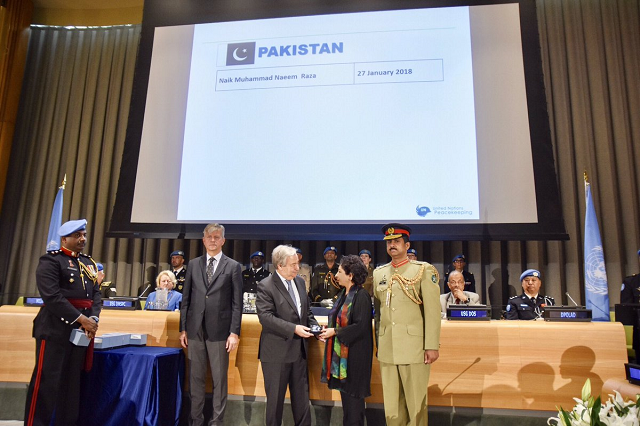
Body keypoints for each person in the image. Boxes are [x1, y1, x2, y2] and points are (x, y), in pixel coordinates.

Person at [24, 219, 101, 426]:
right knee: (46, 384)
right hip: (54, 330)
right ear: (64, 238)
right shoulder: (51, 261)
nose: (82, 239)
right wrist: (82, 319)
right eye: (77, 235)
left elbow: (96, 294)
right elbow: (52, 297)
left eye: (84, 234)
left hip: (80, 333)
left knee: (71, 386)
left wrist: (93, 318)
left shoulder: (87, 263)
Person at [373, 223, 441, 426]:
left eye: (397, 241)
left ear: (407, 244)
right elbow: (379, 313)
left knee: (415, 404)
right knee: (392, 406)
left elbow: (432, 312)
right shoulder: (379, 273)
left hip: (414, 348)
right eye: (389, 242)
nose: (392, 245)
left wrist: (432, 345)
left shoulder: (422, 270)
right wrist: (379, 343)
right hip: (388, 348)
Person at [179, 223, 243, 426]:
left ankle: (217, 422)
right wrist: (183, 328)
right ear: (203, 240)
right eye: (209, 237)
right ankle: (196, 421)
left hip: (220, 333)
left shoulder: (232, 266)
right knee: (195, 380)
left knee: (219, 381)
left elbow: (237, 304)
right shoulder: (193, 264)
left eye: (217, 237)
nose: (213, 240)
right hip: (195, 331)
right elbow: (186, 300)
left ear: (223, 240)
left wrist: (234, 332)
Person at [256, 245, 319, 426]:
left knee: (302, 402)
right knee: (275, 404)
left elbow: (306, 313)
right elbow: (266, 318)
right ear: (280, 266)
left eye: (297, 264)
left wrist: (314, 327)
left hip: (299, 353)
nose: (297, 268)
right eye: (293, 265)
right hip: (276, 354)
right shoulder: (266, 286)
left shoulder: (299, 282)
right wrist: (294, 329)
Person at [320, 255, 373, 426]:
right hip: (344, 360)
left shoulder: (362, 296)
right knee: (347, 410)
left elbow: (360, 326)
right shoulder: (344, 293)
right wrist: (328, 331)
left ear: (350, 275)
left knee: (354, 410)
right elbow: (338, 320)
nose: (336, 274)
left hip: (356, 360)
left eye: (340, 271)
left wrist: (334, 332)